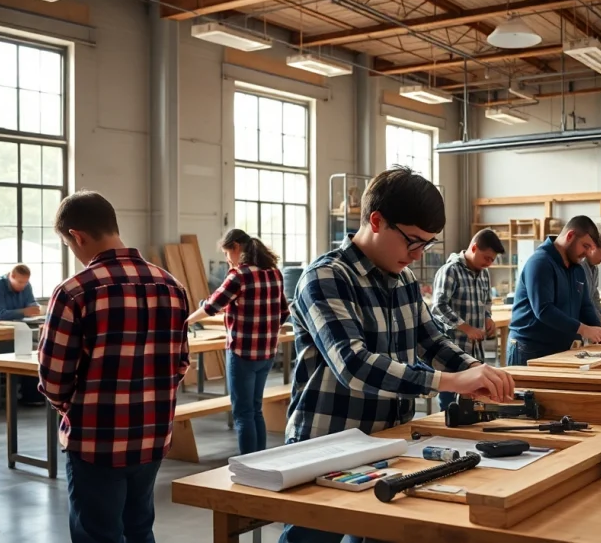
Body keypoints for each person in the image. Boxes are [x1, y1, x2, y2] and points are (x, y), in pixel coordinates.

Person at [281, 166, 515, 543]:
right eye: (413, 241)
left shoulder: (403, 280)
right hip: (326, 447)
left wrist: (477, 369)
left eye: (427, 244)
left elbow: (431, 341)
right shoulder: (325, 278)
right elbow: (352, 365)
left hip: (387, 444)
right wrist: (450, 381)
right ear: (376, 221)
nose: (418, 253)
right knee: (312, 538)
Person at [37, 191, 190, 543]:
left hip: (96, 441)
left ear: (77, 235)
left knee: (98, 535)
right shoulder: (172, 285)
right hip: (153, 436)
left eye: (68, 244)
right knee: (139, 529)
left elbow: (53, 378)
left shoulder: (74, 292)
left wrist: (77, 408)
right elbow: (180, 363)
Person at [185, 229, 290, 455]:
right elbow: (283, 312)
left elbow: (211, 306)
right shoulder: (274, 273)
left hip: (242, 353)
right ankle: (260, 461)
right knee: (256, 410)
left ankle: (248, 466)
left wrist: (186, 321)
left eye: (226, 253)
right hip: (267, 353)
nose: (227, 259)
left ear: (235, 247)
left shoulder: (239, 276)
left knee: (243, 414)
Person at [507, 216, 601, 366]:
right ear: (570, 236)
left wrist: (600, 333)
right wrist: (583, 329)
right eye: (585, 246)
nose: (587, 253)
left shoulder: (577, 268)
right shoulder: (540, 263)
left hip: (558, 348)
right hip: (529, 349)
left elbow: (585, 306)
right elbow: (544, 310)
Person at [431, 228, 505, 412]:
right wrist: (465, 327)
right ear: (474, 248)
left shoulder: (483, 274)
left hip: (475, 353)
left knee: (474, 400)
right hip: (454, 349)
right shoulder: (450, 271)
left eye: (492, 260)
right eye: (486, 258)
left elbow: (486, 301)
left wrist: (488, 318)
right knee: (451, 403)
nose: (489, 263)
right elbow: (438, 307)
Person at [0, 263, 44, 404]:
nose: (23, 285)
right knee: (27, 342)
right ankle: (26, 391)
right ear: (12, 276)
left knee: (35, 346)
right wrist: (24, 311)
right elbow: (1, 313)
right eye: (20, 282)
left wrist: (34, 309)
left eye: (26, 282)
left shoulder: (26, 286)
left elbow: (31, 304)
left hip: (19, 322)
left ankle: (32, 392)